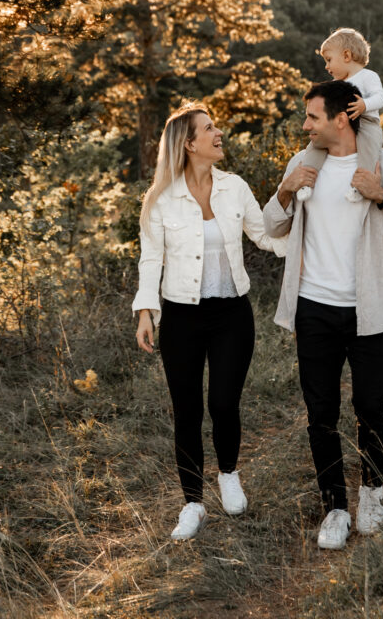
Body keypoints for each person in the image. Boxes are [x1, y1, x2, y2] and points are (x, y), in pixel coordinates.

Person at [263, 80, 383, 550]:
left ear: (342, 118)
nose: (305, 126)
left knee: (371, 407)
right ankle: (335, 508)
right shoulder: (302, 164)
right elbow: (271, 225)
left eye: (312, 118)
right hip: (313, 309)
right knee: (320, 413)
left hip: (370, 311)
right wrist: (284, 190)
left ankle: (372, 495)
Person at [133, 101, 287, 541]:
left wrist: (307, 234)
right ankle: (193, 504)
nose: (219, 133)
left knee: (223, 403)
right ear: (189, 143)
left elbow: (263, 236)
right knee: (187, 410)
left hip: (231, 314)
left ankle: (229, 474)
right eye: (210, 128)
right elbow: (151, 259)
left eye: (216, 126)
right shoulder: (160, 201)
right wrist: (147, 311)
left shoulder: (234, 188)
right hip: (181, 316)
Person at [298, 27, 383, 203]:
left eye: (329, 60)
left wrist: (364, 105)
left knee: (369, 150)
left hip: (367, 121)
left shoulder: (368, 76)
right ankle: (306, 182)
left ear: (346, 56)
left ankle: (359, 187)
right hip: (341, 126)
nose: (326, 66)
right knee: (315, 147)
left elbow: (380, 97)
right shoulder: (336, 83)